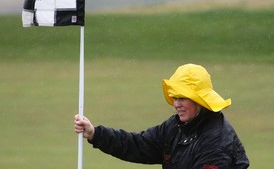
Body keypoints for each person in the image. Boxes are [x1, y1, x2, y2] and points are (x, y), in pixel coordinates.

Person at [74, 63, 250, 168]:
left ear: (200, 101)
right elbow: (138, 145)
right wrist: (95, 134)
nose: (176, 104)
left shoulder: (217, 140)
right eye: (175, 97)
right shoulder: (175, 127)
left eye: (182, 98)